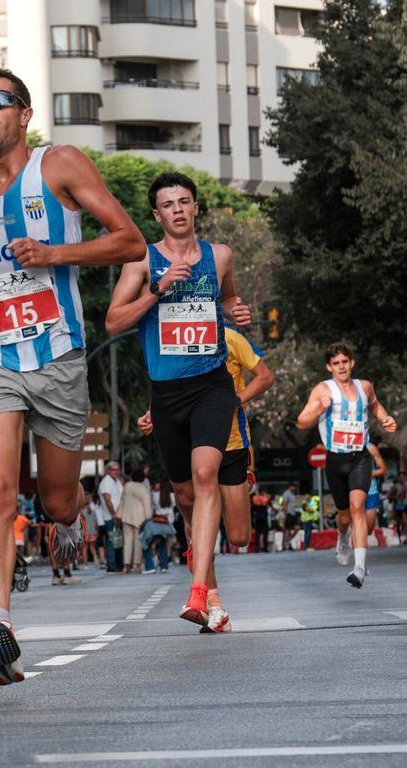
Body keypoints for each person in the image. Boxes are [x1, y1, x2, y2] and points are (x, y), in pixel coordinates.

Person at [0, 67, 146, 685]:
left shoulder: (61, 166)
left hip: (57, 358)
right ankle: (0, 623)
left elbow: (130, 241)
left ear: (24, 115)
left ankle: (71, 516)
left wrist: (56, 254)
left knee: (53, 501)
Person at [105, 171, 252, 627]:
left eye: (184, 201)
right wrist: (159, 288)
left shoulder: (220, 255)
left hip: (211, 384)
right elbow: (112, 322)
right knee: (186, 496)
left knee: (204, 476)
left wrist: (236, 311)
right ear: (157, 215)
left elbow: (226, 300)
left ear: (195, 207)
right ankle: (211, 591)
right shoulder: (142, 262)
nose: (178, 210)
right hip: (167, 393)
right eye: (168, 204)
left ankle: (196, 592)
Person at [137, 323, 273, 630]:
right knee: (194, 518)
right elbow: (173, 388)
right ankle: (213, 603)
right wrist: (153, 412)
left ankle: (204, 544)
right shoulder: (176, 335)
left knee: (238, 536)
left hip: (233, 442)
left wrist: (233, 400)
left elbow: (266, 376)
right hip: (194, 445)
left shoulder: (230, 338)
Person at [295, 342, 397, 588]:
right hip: (335, 459)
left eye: (345, 362)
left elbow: (374, 403)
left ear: (352, 363)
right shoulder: (322, 390)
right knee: (343, 516)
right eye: (336, 364)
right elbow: (301, 422)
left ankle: (359, 568)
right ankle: (342, 537)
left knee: (357, 507)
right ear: (329, 367)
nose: (341, 367)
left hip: (360, 457)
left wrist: (384, 418)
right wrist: (321, 407)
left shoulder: (364, 386)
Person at [335, 440, 387, 564]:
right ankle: (359, 563)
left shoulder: (371, 448)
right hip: (351, 491)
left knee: (368, 528)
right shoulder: (341, 447)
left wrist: (364, 474)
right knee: (353, 522)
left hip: (371, 492)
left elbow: (383, 469)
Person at [118, 468, 151, 574]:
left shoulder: (127, 486)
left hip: (126, 516)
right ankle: (137, 565)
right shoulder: (143, 488)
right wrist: (148, 518)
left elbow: (122, 500)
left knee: (127, 542)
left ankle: (126, 565)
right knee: (138, 542)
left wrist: (119, 514)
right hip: (140, 519)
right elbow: (147, 505)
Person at [97, 462, 123, 571]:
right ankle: (112, 566)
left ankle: (117, 564)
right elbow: (107, 500)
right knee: (112, 541)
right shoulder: (107, 481)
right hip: (111, 516)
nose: (116, 471)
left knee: (117, 540)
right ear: (108, 470)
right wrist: (114, 515)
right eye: (114, 469)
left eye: (118, 469)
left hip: (118, 515)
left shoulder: (116, 481)